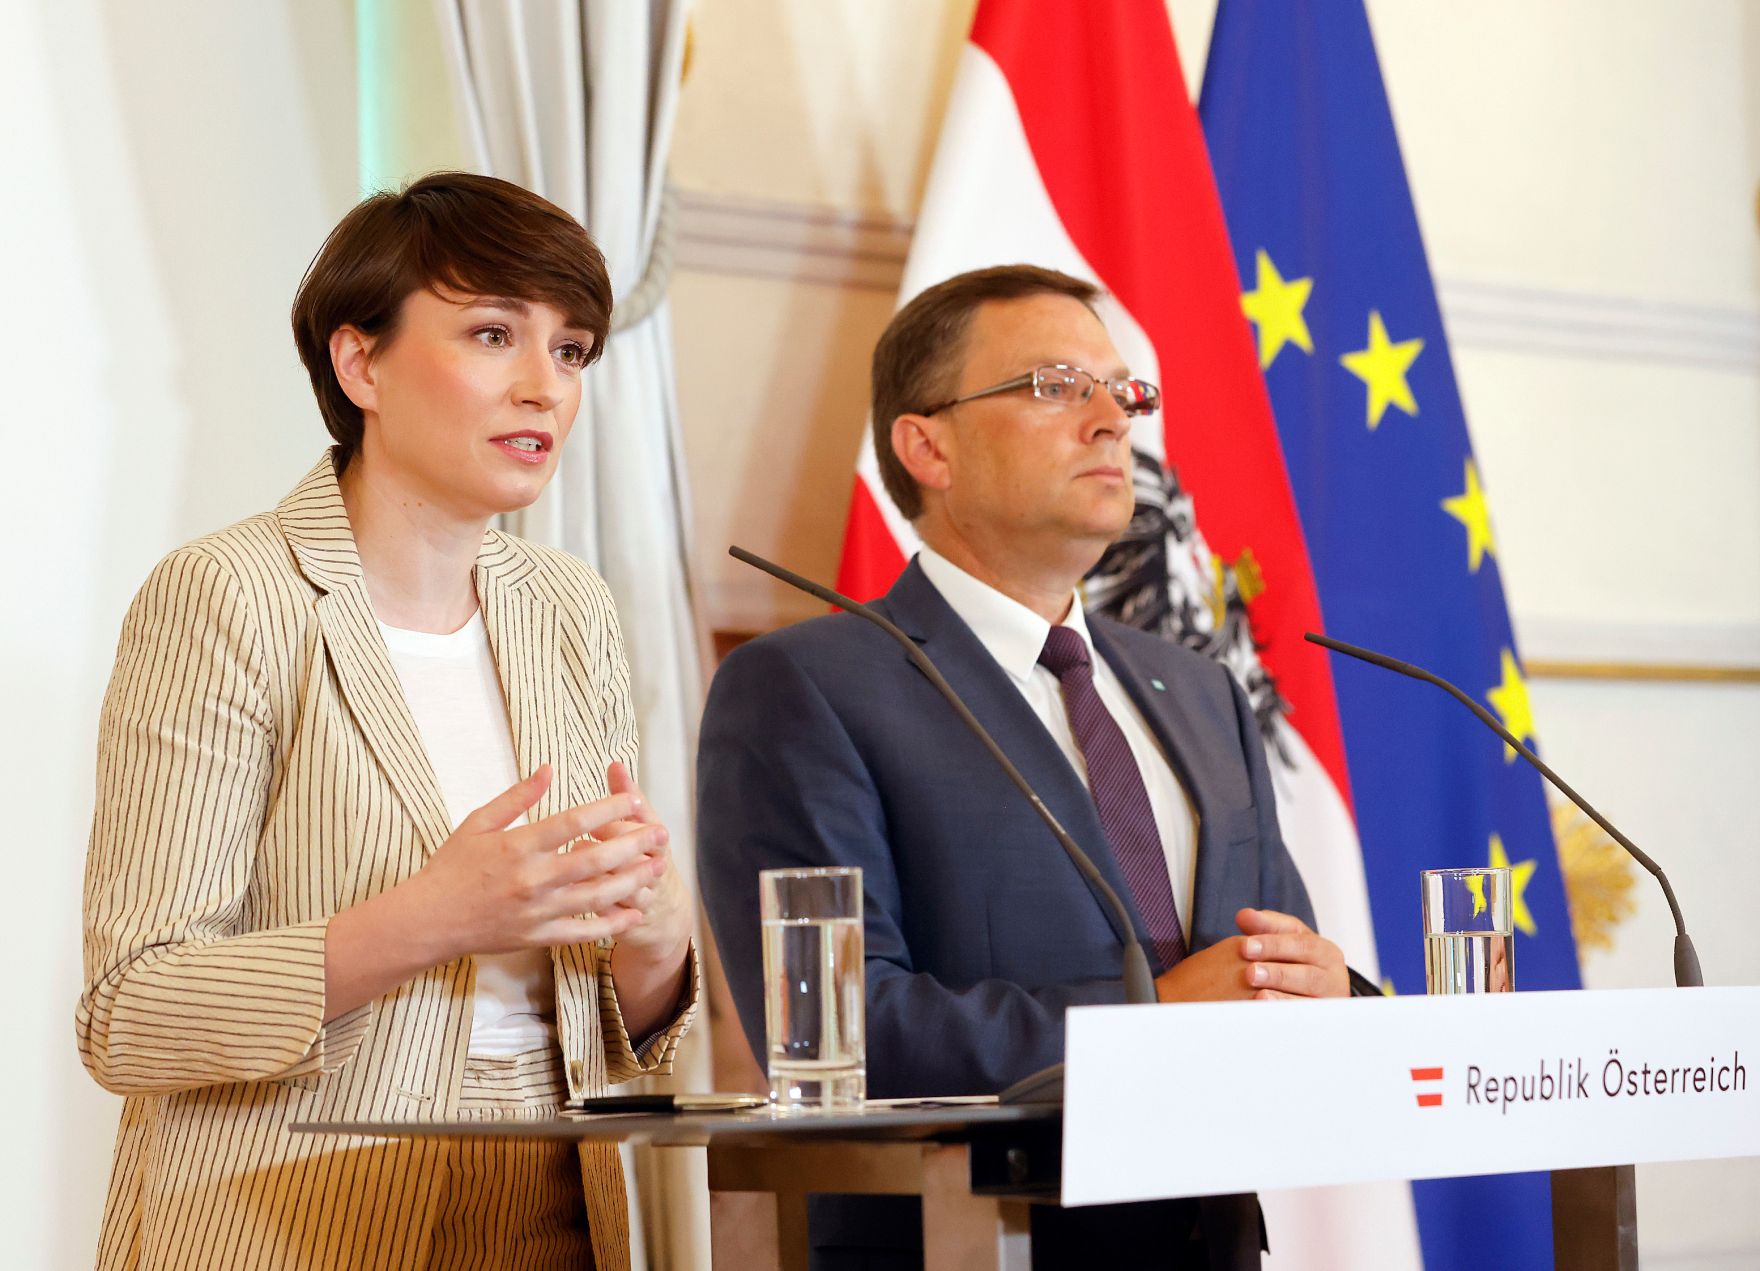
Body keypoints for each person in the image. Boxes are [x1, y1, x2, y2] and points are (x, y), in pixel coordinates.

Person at [77, 172, 698, 1271]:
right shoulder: (229, 593)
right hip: (293, 1213)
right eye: (493, 333)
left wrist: (651, 947)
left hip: (560, 1195)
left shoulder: (568, 607)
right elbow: (133, 1010)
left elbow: (613, 1020)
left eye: (569, 350)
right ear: (358, 361)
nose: (542, 387)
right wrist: (431, 914)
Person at [696, 265, 1346, 1270]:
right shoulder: (804, 687)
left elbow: (1265, 963)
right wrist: (1151, 1019)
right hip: (969, 1241)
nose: (1109, 420)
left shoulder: (1203, 690)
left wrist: (1335, 992)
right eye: (1054, 385)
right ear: (926, 444)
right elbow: (838, 1030)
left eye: (1122, 391)